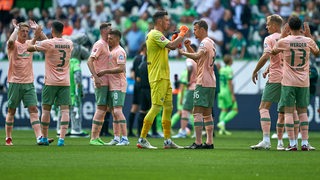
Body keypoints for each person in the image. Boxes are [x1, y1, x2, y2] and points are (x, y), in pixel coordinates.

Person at [136, 10, 188, 149]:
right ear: (159, 21)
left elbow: (168, 49)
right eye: (166, 20)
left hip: (164, 76)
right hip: (158, 76)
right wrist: (181, 34)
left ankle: (167, 140)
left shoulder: (158, 36)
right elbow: (171, 46)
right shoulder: (154, 34)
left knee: (168, 107)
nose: (168, 22)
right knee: (156, 107)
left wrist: (175, 39)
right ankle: (142, 139)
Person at [271, 15, 319, 151]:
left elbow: (273, 51)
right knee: (303, 112)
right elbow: (317, 53)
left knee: (288, 113)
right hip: (304, 81)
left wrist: (282, 35)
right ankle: (304, 142)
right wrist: (309, 36)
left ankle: (292, 143)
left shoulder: (285, 41)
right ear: (301, 28)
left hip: (288, 81)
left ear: (289, 27)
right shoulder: (308, 41)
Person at [5, 19, 53, 145]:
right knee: (11, 110)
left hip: (28, 83)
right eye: (23, 31)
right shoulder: (13, 44)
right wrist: (15, 29)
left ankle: (39, 138)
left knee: (33, 109)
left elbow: (48, 43)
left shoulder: (29, 44)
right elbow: (10, 41)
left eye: (27, 31)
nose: (25, 33)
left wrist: (38, 29)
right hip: (14, 82)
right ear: (18, 32)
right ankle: (8, 138)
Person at [27, 20, 73, 146]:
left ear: (52, 31)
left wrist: (36, 35)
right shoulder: (69, 43)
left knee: (46, 110)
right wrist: (41, 32)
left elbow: (29, 48)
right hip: (65, 82)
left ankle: (44, 138)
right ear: (62, 30)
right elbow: (52, 44)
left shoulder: (49, 43)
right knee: (65, 111)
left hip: (50, 82)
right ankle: (62, 139)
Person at [179, 20, 216, 149]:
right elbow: (199, 58)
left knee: (197, 111)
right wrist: (189, 48)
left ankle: (198, 142)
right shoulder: (210, 42)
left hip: (202, 81)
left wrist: (183, 52)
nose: (193, 31)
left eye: (195, 29)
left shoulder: (204, 42)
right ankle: (209, 142)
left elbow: (197, 55)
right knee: (207, 112)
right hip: (211, 81)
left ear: (202, 29)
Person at [250, 14, 285, 150]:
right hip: (288, 77)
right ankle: (282, 143)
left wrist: (255, 70)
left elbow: (266, 55)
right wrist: (268, 68)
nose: (266, 26)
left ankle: (266, 140)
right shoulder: (287, 38)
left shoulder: (269, 38)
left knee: (263, 107)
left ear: (275, 25)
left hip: (275, 77)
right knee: (285, 110)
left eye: (268, 24)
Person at [97, 29, 129, 146]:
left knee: (117, 111)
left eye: (111, 38)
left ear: (117, 39)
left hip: (119, 85)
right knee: (114, 112)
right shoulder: (112, 51)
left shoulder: (120, 51)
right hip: (112, 85)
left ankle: (125, 138)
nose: (108, 40)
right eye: (108, 38)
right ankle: (116, 137)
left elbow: (121, 68)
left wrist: (105, 71)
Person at [87, 22, 112, 146]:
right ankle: (93, 137)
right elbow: (89, 61)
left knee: (104, 109)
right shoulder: (100, 44)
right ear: (103, 31)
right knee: (100, 108)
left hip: (107, 80)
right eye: (109, 30)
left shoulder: (107, 45)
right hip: (101, 81)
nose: (111, 32)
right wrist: (96, 77)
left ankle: (97, 136)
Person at [172, 44, 198, 138]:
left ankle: (182, 131)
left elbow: (189, 67)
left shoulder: (189, 59)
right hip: (198, 87)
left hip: (191, 88)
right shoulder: (198, 59)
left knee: (185, 110)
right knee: (196, 111)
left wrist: (188, 80)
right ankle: (196, 132)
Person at [127, 44, 146, 137]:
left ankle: (130, 131)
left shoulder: (136, 58)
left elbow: (132, 72)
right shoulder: (143, 59)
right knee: (144, 109)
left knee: (134, 107)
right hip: (143, 86)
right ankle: (140, 132)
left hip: (136, 85)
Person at [217, 54, 238, 135]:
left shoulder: (221, 69)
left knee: (224, 110)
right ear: (230, 61)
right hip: (227, 92)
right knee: (235, 109)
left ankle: (222, 130)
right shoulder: (229, 70)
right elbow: (230, 83)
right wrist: (232, 94)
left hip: (220, 91)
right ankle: (222, 122)